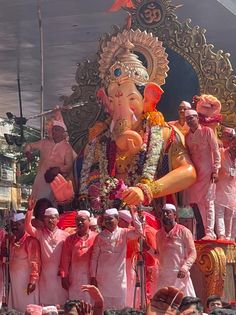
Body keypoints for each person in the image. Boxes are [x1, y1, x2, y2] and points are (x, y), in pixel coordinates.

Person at [49, 29, 196, 213]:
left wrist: (148, 190)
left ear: (149, 98)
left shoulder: (164, 134)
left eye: (131, 99)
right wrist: (68, 199)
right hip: (102, 225)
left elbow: (188, 172)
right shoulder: (97, 143)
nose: (122, 109)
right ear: (105, 102)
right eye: (115, 101)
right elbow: (82, 189)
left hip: (148, 223)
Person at [90, 207, 142, 309]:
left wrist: (134, 215)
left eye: (111, 219)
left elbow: (139, 232)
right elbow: (94, 258)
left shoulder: (124, 233)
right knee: (104, 306)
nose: (108, 221)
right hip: (103, 278)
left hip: (118, 279)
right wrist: (93, 276)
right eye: (106, 219)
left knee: (119, 307)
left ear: (117, 219)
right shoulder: (99, 237)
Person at [184, 109, 221, 240]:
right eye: (187, 119)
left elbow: (216, 152)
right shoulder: (187, 137)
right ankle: (207, 232)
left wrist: (216, 170)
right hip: (196, 175)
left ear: (197, 118)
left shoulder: (207, 132)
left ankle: (211, 232)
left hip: (208, 173)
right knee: (199, 203)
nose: (190, 121)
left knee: (209, 202)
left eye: (192, 118)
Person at [147, 204, 196, 297]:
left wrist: (185, 267)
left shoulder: (184, 231)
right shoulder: (159, 234)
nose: (165, 215)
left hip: (179, 274)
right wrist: (148, 249)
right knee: (164, 306)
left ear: (175, 215)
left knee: (184, 304)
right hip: (164, 276)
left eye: (168, 212)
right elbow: (159, 255)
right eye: (163, 213)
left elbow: (193, 253)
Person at [25, 202, 69, 305]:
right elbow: (28, 227)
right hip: (45, 275)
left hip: (60, 275)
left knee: (61, 302)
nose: (50, 220)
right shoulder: (40, 233)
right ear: (43, 220)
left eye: (53, 218)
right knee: (46, 304)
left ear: (58, 219)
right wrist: (30, 210)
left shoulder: (66, 235)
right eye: (47, 218)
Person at [24, 120, 74, 202]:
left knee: (50, 205)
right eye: (53, 129)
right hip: (40, 179)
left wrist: (58, 169)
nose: (53, 131)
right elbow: (28, 145)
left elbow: (69, 166)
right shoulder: (44, 142)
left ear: (62, 132)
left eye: (57, 129)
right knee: (36, 202)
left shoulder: (67, 148)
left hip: (55, 181)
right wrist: (28, 153)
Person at [60, 210, 97, 301]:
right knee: (75, 303)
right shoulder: (70, 239)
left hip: (91, 277)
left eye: (82, 220)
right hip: (74, 276)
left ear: (89, 221)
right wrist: (64, 276)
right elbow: (65, 259)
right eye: (77, 220)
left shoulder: (96, 237)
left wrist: (96, 277)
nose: (79, 222)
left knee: (90, 302)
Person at [7, 213, 41, 312]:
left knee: (28, 309)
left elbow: (35, 263)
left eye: (17, 224)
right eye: (12, 224)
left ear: (24, 225)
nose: (14, 227)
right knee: (16, 308)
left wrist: (32, 281)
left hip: (26, 283)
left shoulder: (31, 241)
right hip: (15, 283)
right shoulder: (12, 240)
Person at [215, 135, 236, 240]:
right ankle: (221, 236)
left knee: (230, 218)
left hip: (233, 195)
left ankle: (229, 239)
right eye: (233, 143)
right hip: (220, 192)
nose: (234, 146)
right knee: (219, 215)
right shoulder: (221, 152)